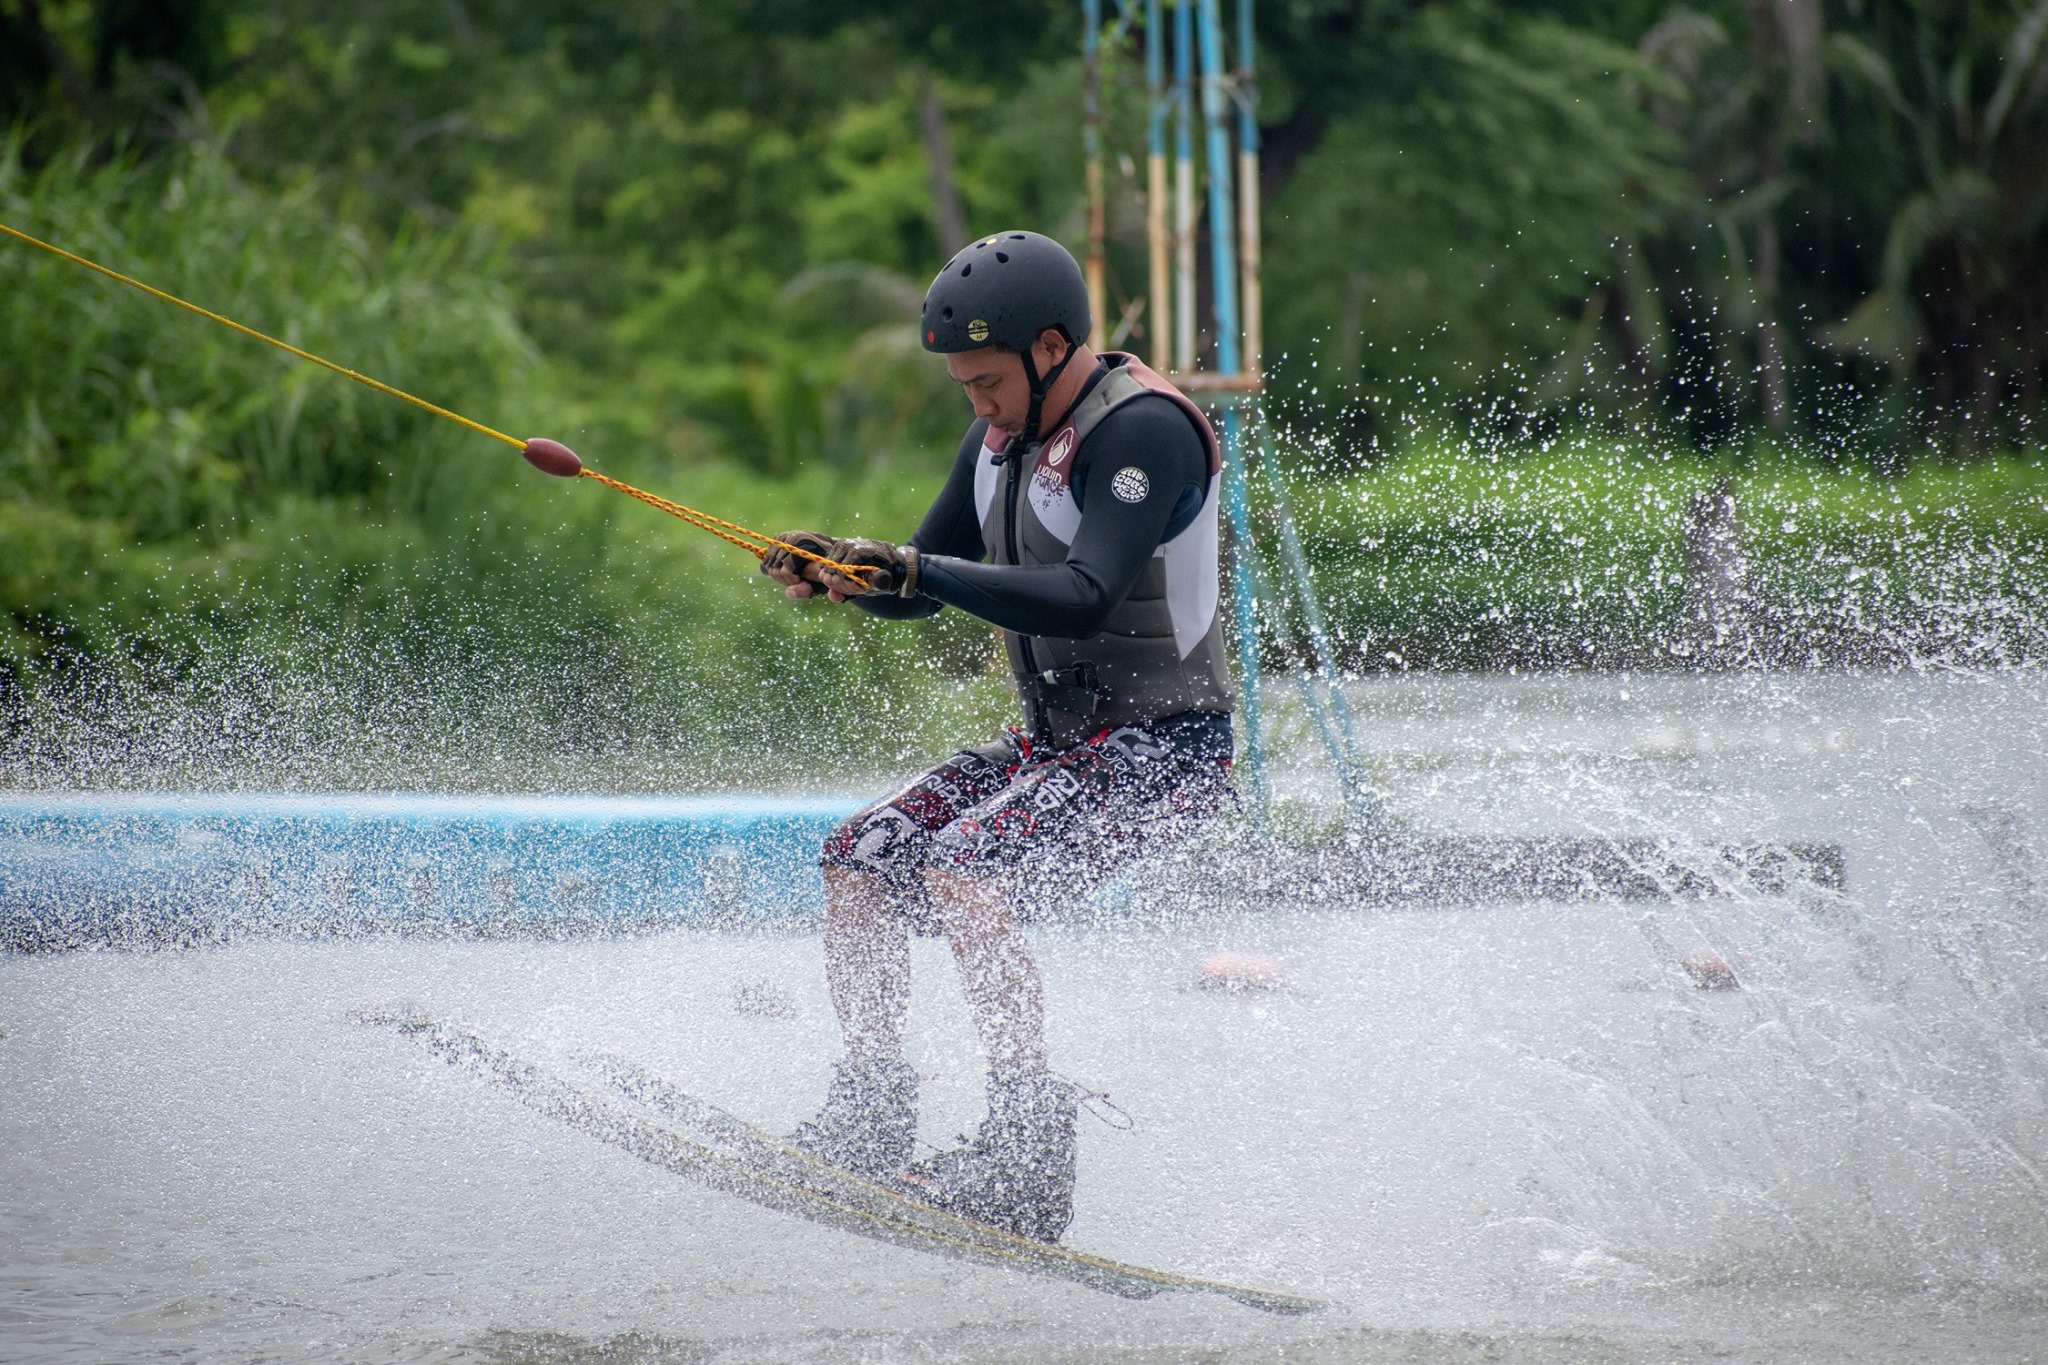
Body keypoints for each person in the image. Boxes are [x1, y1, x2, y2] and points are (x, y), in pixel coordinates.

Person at [759, 230, 1235, 1243]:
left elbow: (1082, 593)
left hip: (1168, 753)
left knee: (967, 867)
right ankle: (873, 1107)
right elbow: (920, 586)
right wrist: (845, 574)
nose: (974, 403)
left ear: (1050, 349)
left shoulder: (1141, 431)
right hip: (1055, 748)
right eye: (960, 385)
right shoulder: (992, 440)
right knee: (857, 854)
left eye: (985, 381)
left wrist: (915, 570)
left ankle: (1025, 1150)